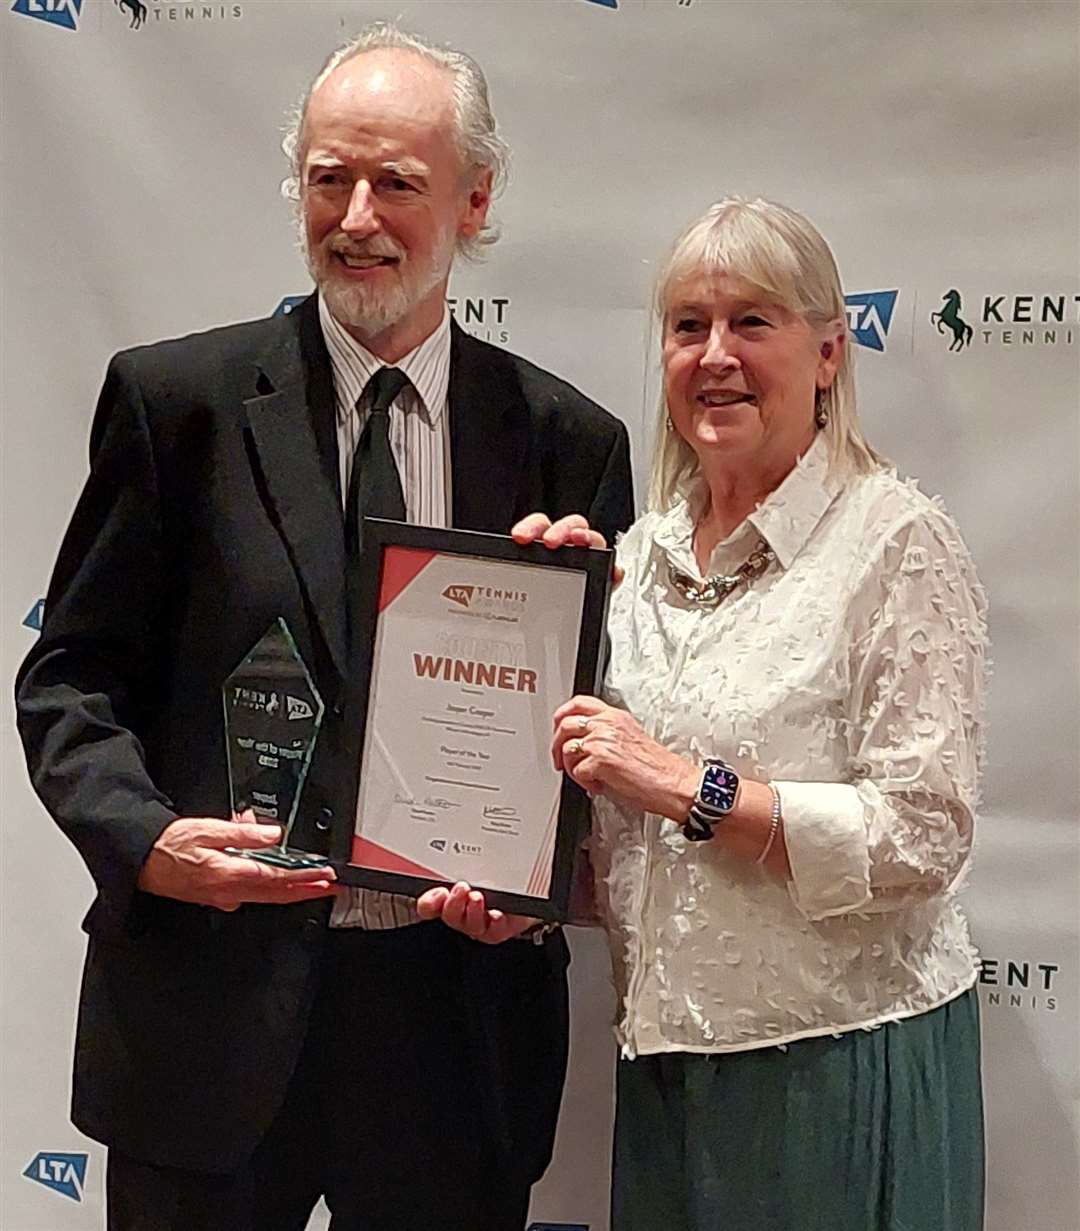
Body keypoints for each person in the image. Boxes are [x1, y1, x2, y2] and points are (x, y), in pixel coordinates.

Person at [15, 22, 632, 1231]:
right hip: (211, 1019)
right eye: (328, 177)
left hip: (455, 1033)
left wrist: (546, 872)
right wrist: (146, 840)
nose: (357, 216)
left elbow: (598, 732)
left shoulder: (568, 443)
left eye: (398, 181)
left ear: (476, 197)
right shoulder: (175, 404)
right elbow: (71, 679)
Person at [426, 197, 987, 1231]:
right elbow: (644, 847)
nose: (715, 355)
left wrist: (690, 787)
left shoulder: (896, 543)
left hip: (837, 1064)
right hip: (667, 1073)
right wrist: (536, 887)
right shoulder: (632, 559)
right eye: (689, 326)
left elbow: (924, 835)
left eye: (752, 323)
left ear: (828, 354)